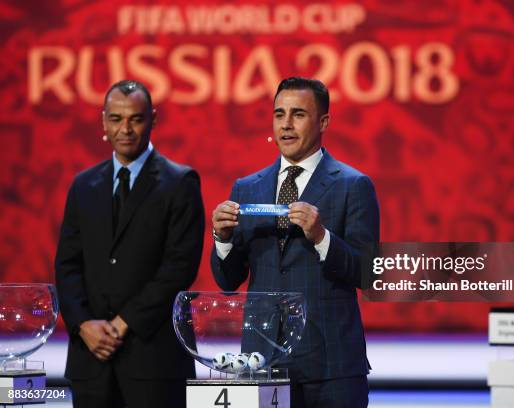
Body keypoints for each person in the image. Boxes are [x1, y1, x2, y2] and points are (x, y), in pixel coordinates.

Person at [211, 77, 379, 408]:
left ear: (323, 122)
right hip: (263, 363)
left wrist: (321, 237)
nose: (285, 124)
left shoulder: (353, 185)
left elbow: (369, 273)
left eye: (298, 114)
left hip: (331, 366)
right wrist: (223, 239)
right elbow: (228, 280)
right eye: (279, 114)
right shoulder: (247, 188)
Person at [55, 80, 204, 408]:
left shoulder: (180, 183)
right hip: (91, 361)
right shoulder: (83, 186)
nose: (125, 129)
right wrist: (83, 325)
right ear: (103, 121)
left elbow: (179, 268)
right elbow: (67, 265)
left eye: (135, 119)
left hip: (153, 360)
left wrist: (123, 323)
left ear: (153, 119)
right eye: (116, 119)